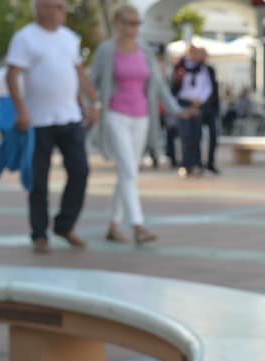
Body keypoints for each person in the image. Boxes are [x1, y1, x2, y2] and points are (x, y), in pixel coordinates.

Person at [89, 6, 193, 244]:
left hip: (142, 116)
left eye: (137, 23)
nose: (134, 28)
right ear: (117, 24)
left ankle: (114, 225)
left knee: (129, 172)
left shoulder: (145, 51)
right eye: (129, 22)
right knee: (127, 168)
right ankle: (137, 225)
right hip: (115, 114)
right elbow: (91, 80)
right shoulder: (106, 51)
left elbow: (159, 86)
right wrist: (88, 106)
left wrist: (177, 110)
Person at [6, 0, 99, 254]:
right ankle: (39, 233)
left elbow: (75, 74)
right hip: (38, 120)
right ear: (39, 8)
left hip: (68, 117)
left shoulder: (70, 38)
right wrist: (21, 110)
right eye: (52, 6)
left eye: (61, 6)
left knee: (80, 170)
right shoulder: (25, 38)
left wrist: (89, 104)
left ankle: (65, 224)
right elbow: (12, 75)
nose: (58, 11)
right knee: (39, 179)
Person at [170, 44, 214, 177]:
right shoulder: (180, 67)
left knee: (197, 135)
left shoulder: (203, 68)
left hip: (198, 104)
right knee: (186, 135)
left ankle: (196, 163)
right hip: (183, 103)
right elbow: (174, 86)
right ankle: (186, 163)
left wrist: (200, 100)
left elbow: (207, 87)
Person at [197, 47, 221, 174]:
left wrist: (216, 107)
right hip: (198, 108)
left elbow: (215, 89)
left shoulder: (210, 70)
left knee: (213, 136)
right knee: (197, 136)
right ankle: (198, 162)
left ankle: (210, 163)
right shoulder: (193, 69)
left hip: (210, 108)